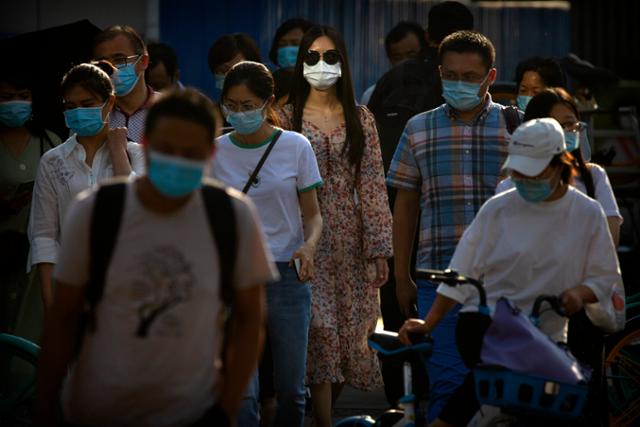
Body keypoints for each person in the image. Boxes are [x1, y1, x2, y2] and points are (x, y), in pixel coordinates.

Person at [34, 88, 276, 426]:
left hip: (193, 413)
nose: (177, 159)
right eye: (166, 149)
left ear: (210, 154)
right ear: (145, 145)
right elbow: (63, 318)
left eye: (189, 153)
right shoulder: (95, 211)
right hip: (99, 410)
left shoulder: (233, 216)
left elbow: (251, 320)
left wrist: (227, 407)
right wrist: (44, 407)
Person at [398, 118, 623, 427]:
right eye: (518, 172)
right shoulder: (498, 208)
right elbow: (461, 273)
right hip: (493, 338)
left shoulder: (587, 212)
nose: (524, 179)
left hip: (548, 345)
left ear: (560, 164)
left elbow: (604, 276)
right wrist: (429, 323)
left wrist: (579, 295)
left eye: (533, 172)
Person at [386, 30, 522, 422]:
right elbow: (406, 204)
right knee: (447, 383)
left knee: (500, 388)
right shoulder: (418, 129)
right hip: (437, 280)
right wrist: (401, 276)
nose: (459, 83)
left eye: (470, 76)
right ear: (440, 73)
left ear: (490, 77)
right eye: (452, 75)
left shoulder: (517, 129)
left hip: (503, 280)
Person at [278, 25, 393, 427]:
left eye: (330, 57)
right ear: (300, 63)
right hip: (305, 235)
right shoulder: (284, 116)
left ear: (343, 63)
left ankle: (319, 416)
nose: (321, 64)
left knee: (352, 338)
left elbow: (373, 182)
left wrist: (380, 248)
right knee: (320, 330)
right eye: (312, 57)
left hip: (352, 240)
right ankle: (324, 421)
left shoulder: (361, 118)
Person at [212, 61, 323, 427]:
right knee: (242, 391)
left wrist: (308, 247)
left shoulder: (296, 146)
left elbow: (314, 214)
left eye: (248, 106)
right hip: (236, 278)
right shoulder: (214, 151)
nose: (239, 113)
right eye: (231, 105)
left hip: (287, 277)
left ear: (268, 102)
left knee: (292, 389)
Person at [27, 62, 145, 312]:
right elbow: (44, 236)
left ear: (110, 103)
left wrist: (117, 153)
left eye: (88, 104)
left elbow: (139, 211)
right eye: (71, 107)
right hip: (72, 289)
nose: (78, 112)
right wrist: (50, 303)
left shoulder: (135, 155)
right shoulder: (53, 161)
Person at [497, 87, 622, 245]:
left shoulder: (594, 176)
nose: (563, 132)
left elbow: (609, 243)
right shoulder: (508, 188)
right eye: (554, 126)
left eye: (569, 124)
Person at [368, 1, 474, 172]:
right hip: (445, 177)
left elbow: (368, 132)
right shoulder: (467, 81)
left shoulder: (390, 78)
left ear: (427, 34)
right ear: (471, 37)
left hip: (390, 178)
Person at [0, 71, 60, 337]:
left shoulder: (50, 142)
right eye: (7, 97)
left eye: (23, 97)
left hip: (38, 259)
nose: (16, 103)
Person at [92, 25, 158, 143]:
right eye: (103, 64)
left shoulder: (171, 110)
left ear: (143, 61)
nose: (111, 68)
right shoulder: (94, 115)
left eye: (119, 60)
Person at [360, 21, 427, 105]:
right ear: (389, 58)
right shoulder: (372, 95)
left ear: (424, 53)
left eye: (411, 55)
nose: (405, 62)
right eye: (398, 58)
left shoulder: (435, 90)